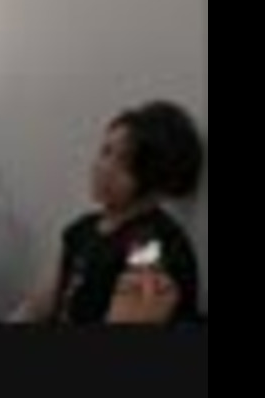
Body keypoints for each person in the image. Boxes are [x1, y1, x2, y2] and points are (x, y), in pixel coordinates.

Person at [12, 101, 205, 325]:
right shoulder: (82, 230)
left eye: (123, 162)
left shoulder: (152, 245)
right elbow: (38, 305)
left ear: (155, 176)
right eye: (105, 152)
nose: (103, 167)